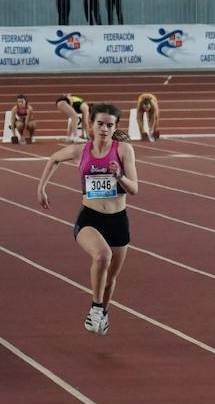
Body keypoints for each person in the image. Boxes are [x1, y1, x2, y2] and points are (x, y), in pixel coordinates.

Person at [36, 103, 139, 336]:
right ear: (91, 124)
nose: (104, 129)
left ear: (115, 127)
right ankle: (95, 308)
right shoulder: (80, 151)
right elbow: (53, 158)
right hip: (90, 218)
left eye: (109, 125)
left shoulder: (123, 150)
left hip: (118, 220)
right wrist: (41, 187)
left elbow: (134, 189)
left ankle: (102, 313)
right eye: (100, 124)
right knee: (102, 255)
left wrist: (119, 175)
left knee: (111, 279)